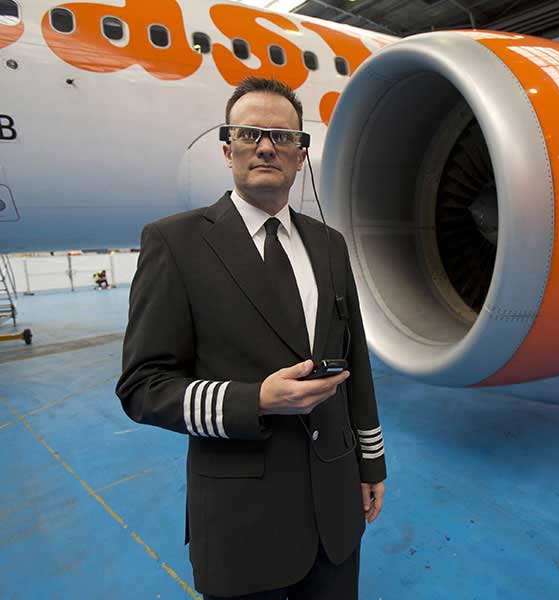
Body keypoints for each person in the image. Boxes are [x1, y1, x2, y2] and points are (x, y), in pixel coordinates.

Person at [116, 77, 386, 600]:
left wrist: (371, 462)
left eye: (282, 136)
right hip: (241, 520)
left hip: (335, 510)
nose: (265, 146)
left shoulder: (330, 245)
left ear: (301, 155)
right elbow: (142, 386)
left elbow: (356, 365)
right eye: (249, 134)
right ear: (227, 149)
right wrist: (255, 400)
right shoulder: (175, 243)